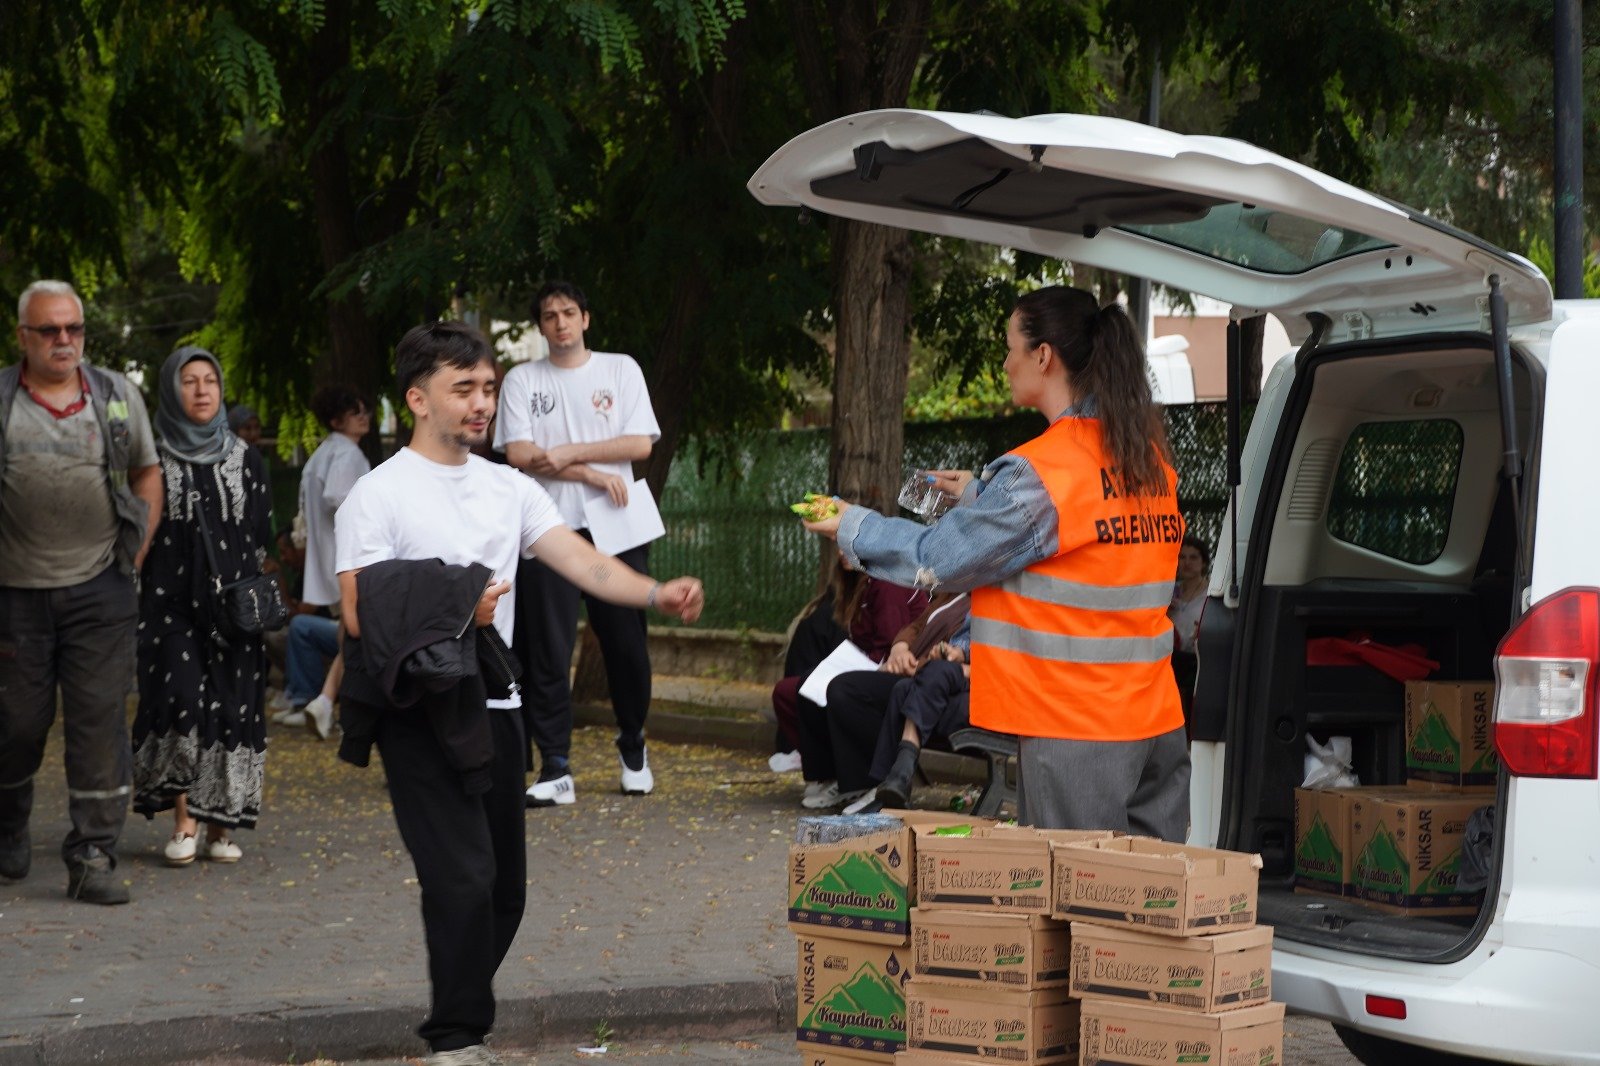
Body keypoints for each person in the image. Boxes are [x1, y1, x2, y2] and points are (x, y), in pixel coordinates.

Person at [334, 320, 702, 1066]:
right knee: (462, 876)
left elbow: (582, 562)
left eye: (490, 389)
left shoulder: (510, 487)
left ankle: (457, 1004)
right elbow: (357, 608)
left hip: (496, 708)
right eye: (462, 388)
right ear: (417, 399)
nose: (481, 403)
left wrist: (654, 591)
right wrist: (454, 609)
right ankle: (458, 1037)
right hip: (419, 715)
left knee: (504, 893)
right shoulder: (376, 495)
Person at [804, 285, 1189, 841]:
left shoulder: (1044, 472)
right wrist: (984, 494)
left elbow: (936, 559)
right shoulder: (1145, 458)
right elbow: (1086, 543)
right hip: (1155, 720)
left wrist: (849, 522)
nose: (1005, 363)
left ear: (1043, 356)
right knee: (1145, 909)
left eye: (1010, 347)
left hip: (1076, 729)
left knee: (1081, 901)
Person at [0, 280, 162, 905]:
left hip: (102, 589)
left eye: (74, 329)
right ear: (24, 337)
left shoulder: (117, 396)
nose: (64, 340)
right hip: (14, 595)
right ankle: (8, 824)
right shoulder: (3, 400)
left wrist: (137, 547)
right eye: (50, 330)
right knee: (15, 724)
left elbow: (149, 472)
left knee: (98, 724)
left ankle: (92, 853)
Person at [493, 281, 662, 806]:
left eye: (569, 313)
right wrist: (589, 471)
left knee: (626, 646)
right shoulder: (522, 379)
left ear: (586, 318)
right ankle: (556, 765)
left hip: (618, 526)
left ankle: (633, 744)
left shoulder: (620, 369)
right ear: (540, 326)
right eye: (549, 315)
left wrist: (564, 453)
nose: (560, 322)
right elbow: (519, 453)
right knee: (546, 648)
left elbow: (639, 444)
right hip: (548, 528)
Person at [131, 347, 274, 864]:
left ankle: (221, 828)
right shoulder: (153, 460)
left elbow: (260, 534)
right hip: (171, 604)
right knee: (184, 699)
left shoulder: (246, 458)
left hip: (234, 611)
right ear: (172, 390)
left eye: (209, 380)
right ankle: (185, 822)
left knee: (232, 707)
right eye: (188, 381)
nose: (201, 390)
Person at [272, 385, 371, 736]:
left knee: (351, 631)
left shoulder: (322, 453)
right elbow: (337, 496)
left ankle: (325, 701)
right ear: (336, 420)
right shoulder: (347, 454)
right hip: (352, 557)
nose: (364, 417)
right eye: (355, 412)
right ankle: (337, 706)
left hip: (329, 556)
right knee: (358, 632)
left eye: (364, 410)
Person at [1168, 535, 1210, 734]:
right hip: (1171, 659)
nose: (1187, 563)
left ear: (1204, 563)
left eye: (1193, 558)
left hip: (1200, 661)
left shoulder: (1211, 594)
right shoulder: (1169, 591)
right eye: (1182, 557)